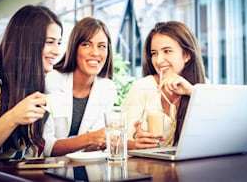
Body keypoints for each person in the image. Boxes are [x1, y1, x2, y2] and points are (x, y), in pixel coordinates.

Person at [0, 5, 63, 175]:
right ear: (27, 43)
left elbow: (32, 155)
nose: (57, 51)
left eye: (59, 43)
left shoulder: (36, 85)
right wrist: (13, 118)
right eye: (50, 42)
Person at [122, 21, 206, 150]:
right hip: (145, 168)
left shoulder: (201, 87)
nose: (158, 60)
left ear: (187, 55)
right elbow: (115, 140)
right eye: (154, 53)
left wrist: (192, 92)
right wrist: (135, 144)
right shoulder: (143, 87)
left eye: (167, 51)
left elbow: (221, 134)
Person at [43, 17, 117, 157]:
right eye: (86, 44)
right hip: (50, 169)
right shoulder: (51, 80)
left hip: (86, 169)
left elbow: (93, 146)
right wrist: (90, 138)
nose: (95, 53)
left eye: (102, 46)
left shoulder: (108, 89)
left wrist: (104, 141)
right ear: (74, 47)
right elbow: (45, 146)